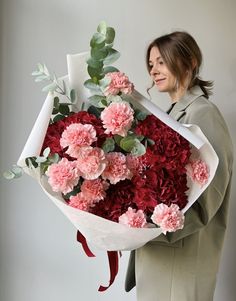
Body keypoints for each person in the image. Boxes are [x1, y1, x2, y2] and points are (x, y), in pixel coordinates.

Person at [125, 31, 234, 301]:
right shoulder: (171, 114)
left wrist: (157, 230)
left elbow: (212, 194)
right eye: (151, 64)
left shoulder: (203, 113)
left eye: (161, 62)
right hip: (158, 253)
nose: (154, 71)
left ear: (189, 61)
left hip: (179, 254)